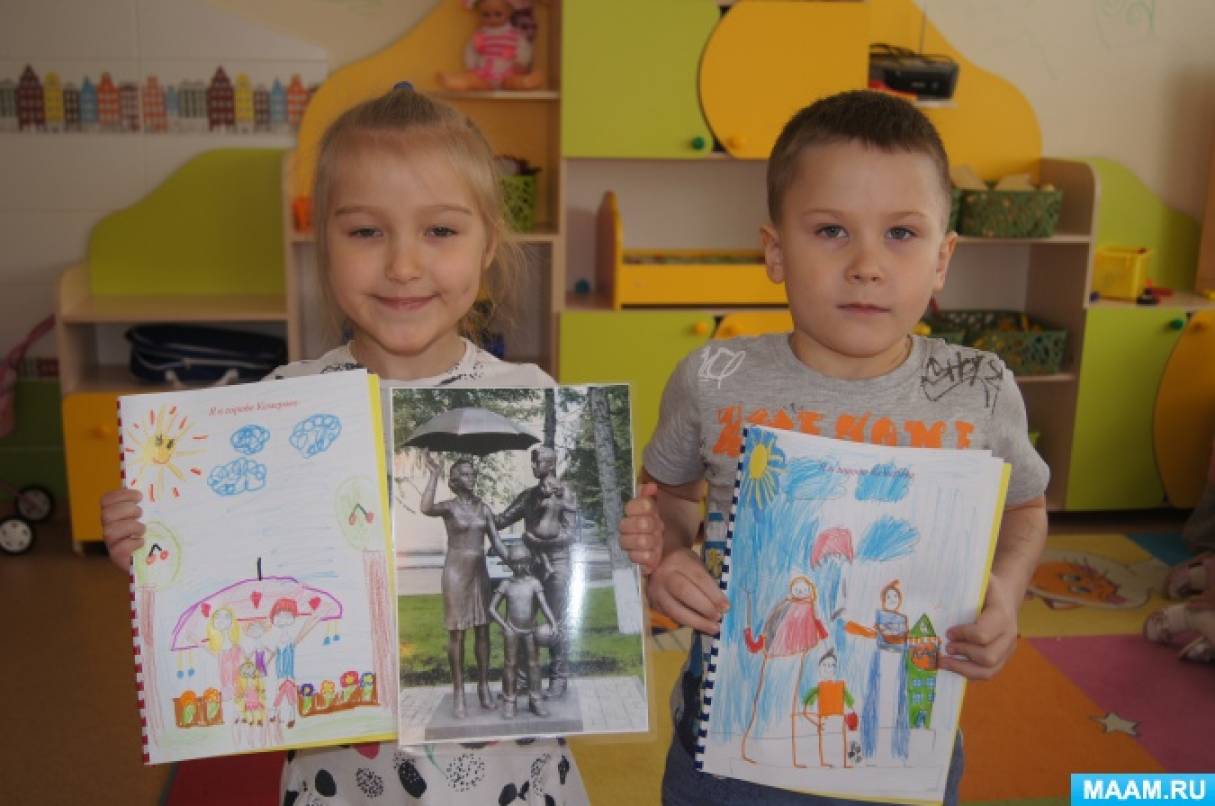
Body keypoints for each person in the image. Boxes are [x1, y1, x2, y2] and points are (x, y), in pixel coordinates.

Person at [100, 84, 587, 805]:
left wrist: (631, 542)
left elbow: (559, 547)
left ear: (488, 243)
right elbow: (234, 568)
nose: (403, 265)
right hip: (343, 776)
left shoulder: (530, 392)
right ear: (321, 244)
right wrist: (160, 544)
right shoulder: (278, 402)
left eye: (440, 231)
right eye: (365, 232)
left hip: (509, 780)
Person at [616, 90, 1049, 805]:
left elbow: (1026, 508)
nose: (866, 264)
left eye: (901, 233)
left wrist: (1004, 589)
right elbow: (668, 500)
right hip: (724, 756)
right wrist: (666, 559)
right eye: (830, 231)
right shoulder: (711, 378)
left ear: (942, 259)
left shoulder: (979, 388)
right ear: (774, 251)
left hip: (902, 758)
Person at [421, 452, 509, 717]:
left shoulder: (483, 508)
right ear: (456, 480)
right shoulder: (449, 507)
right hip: (456, 574)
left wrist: (518, 562)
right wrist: (434, 474)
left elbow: (497, 542)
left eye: (473, 474)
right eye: (466, 474)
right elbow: (426, 507)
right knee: (457, 633)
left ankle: (483, 687)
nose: (472, 478)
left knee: (483, 630)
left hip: (480, 574)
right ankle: (459, 691)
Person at [497, 445, 576, 697]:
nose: (533, 466)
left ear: (550, 464)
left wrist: (539, 541)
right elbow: (501, 520)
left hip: (558, 562)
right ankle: (523, 681)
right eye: (533, 462)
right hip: (531, 565)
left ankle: (558, 678)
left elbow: (571, 533)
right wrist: (477, 509)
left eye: (537, 462)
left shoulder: (565, 493)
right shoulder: (527, 497)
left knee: (556, 619)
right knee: (523, 618)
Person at [489, 543, 558, 719]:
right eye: (515, 563)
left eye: (523, 562)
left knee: (533, 665)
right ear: (510, 564)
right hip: (511, 630)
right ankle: (509, 701)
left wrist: (553, 623)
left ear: (528, 562)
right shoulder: (506, 584)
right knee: (510, 664)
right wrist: (504, 626)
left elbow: (544, 605)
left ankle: (536, 700)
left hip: (530, 631)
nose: (519, 567)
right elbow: (492, 608)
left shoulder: (534, 583)